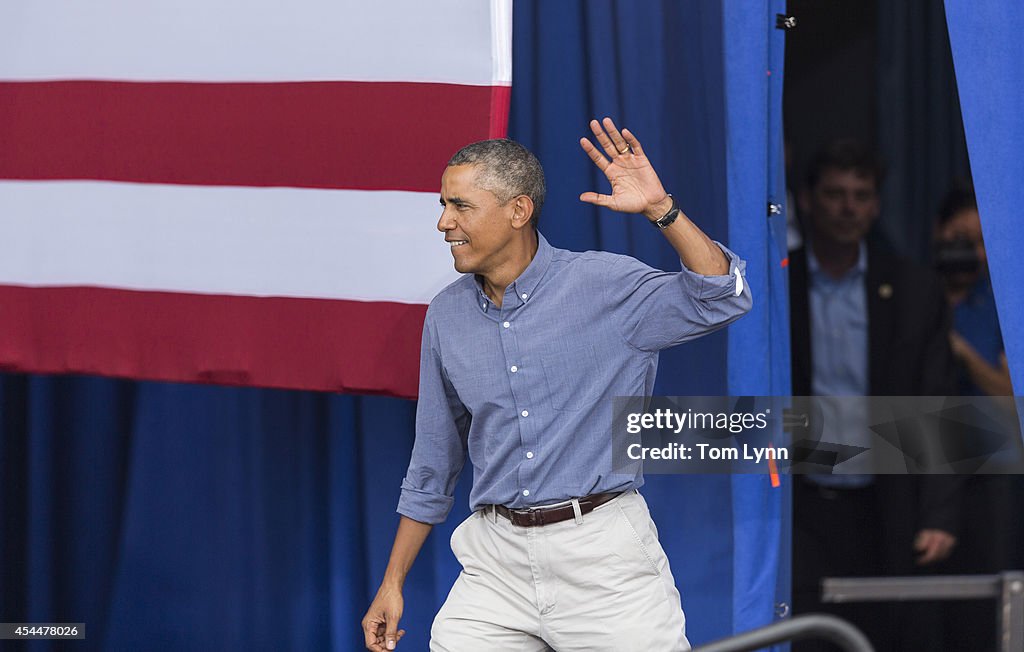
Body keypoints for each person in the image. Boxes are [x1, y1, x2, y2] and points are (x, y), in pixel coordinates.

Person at [360, 118, 751, 651]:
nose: (444, 223)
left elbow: (723, 296)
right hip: (494, 563)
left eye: (460, 206)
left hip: (603, 560)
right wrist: (392, 583)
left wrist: (663, 210)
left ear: (518, 210)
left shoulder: (604, 285)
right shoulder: (445, 315)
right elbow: (432, 463)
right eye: (442, 206)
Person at [788, 139, 962, 652]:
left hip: (887, 501)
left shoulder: (913, 287)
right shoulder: (778, 282)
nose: (848, 207)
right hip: (803, 504)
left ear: (877, 205)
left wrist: (940, 514)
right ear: (808, 201)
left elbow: (939, 403)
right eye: (835, 193)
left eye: (861, 195)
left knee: (889, 636)